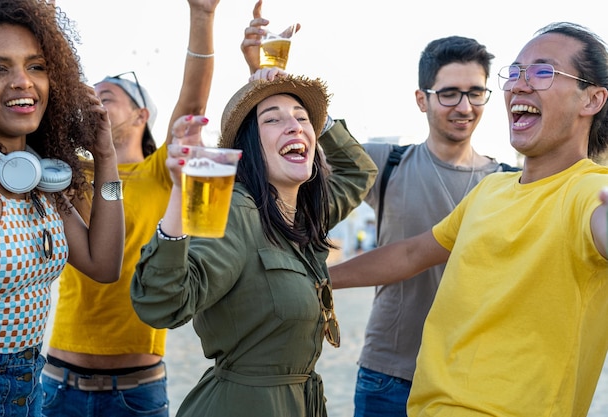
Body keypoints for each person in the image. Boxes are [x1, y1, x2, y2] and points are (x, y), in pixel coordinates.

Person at [241, 8, 518, 416]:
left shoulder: (510, 182)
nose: (464, 105)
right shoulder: (386, 163)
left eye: (475, 92)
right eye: (449, 93)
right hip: (388, 373)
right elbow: (285, 149)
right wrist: (261, 79)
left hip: (474, 374)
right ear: (421, 99)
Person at [330, 21, 608, 417]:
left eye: (543, 71)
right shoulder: (491, 191)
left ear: (592, 99)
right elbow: (410, 254)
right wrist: (317, 281)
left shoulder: (588, 191)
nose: (519, 84)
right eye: (515, 72)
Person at [129, 67, 378, 416]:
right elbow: (162, 302)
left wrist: (315, 118)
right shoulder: (234, 207)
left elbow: (359, 172)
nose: (294, 126)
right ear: (248, 147)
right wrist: (179, 195)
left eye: (302, 118)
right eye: (272, 120)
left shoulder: (300, 216)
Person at [40, 1, 219, 416]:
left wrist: (203, 17)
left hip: (137, 390)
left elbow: (192, 104)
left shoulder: (161, 170)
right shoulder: (70, 170)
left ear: (141, 114)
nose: (96, 106)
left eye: (107, 97)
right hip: (58, 381)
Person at [0, 1, 124, 416]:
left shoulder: (41, 180)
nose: (22, 82)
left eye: (37, 66)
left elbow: (104, 264)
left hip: (30, 385)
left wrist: (106, 157)